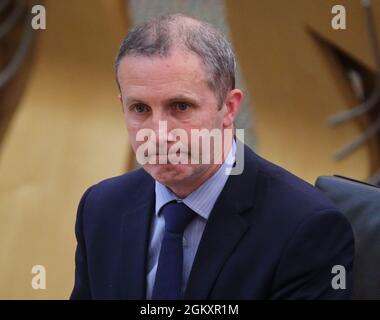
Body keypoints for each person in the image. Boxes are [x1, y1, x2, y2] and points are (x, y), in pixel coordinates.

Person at [70, 14, 354, 300]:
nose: (158, 134)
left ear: (229, 108)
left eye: (180, 106)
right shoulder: (101, 208)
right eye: (140, 109)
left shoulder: (305, 228)